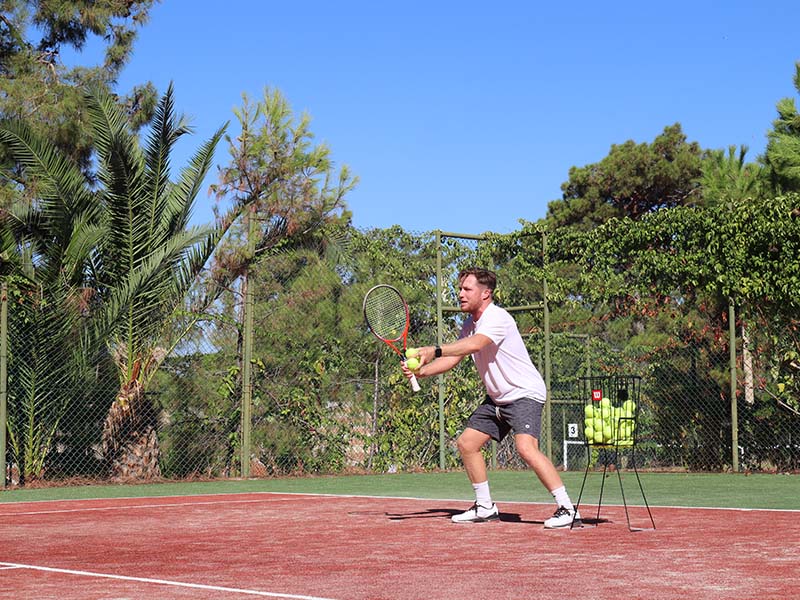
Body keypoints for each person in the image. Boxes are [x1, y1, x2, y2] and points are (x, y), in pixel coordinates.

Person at [402, 267, 581, 528]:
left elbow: (475, 345)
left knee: (526, 448)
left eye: (467, 289)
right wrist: (422, 370)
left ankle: (567, 509)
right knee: (467, 443)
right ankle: (485, 506)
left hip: (523, 393)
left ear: (486, 293)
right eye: (460, 289)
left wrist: (434, 349)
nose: (460, 294)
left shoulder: (497, 318)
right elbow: (455, 357)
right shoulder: (469, 323)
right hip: (497, 398)